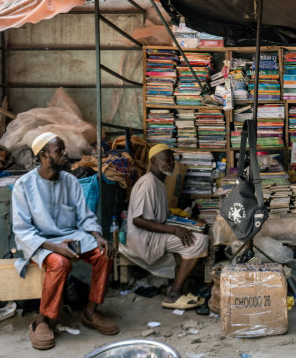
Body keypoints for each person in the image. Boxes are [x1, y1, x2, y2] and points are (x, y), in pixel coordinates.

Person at [12, 132, 118, 351]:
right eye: (59, 150)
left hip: (71, 238)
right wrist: (54, 247)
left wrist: (98, 237)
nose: (65, 153)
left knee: (104, 252)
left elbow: (85, 216)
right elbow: (23, 231)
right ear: (43, 155)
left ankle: (91, 312)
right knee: (60, 263)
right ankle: (44, 320)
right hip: (41, 243)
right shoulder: (24, 185)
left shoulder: (70, 180)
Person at [127, 144, 208, 309]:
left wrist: (191, 223)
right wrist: (175, 229)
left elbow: (163, 217)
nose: (171, 163)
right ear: (153, 161)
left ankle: (179, 289)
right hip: (145, 238)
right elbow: (138, 220)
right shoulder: (148, 183)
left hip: (154, 233)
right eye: (166, 160)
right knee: (198, 242)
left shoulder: (159, 183)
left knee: (199, 233)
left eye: (172, 160)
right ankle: (173, 294)